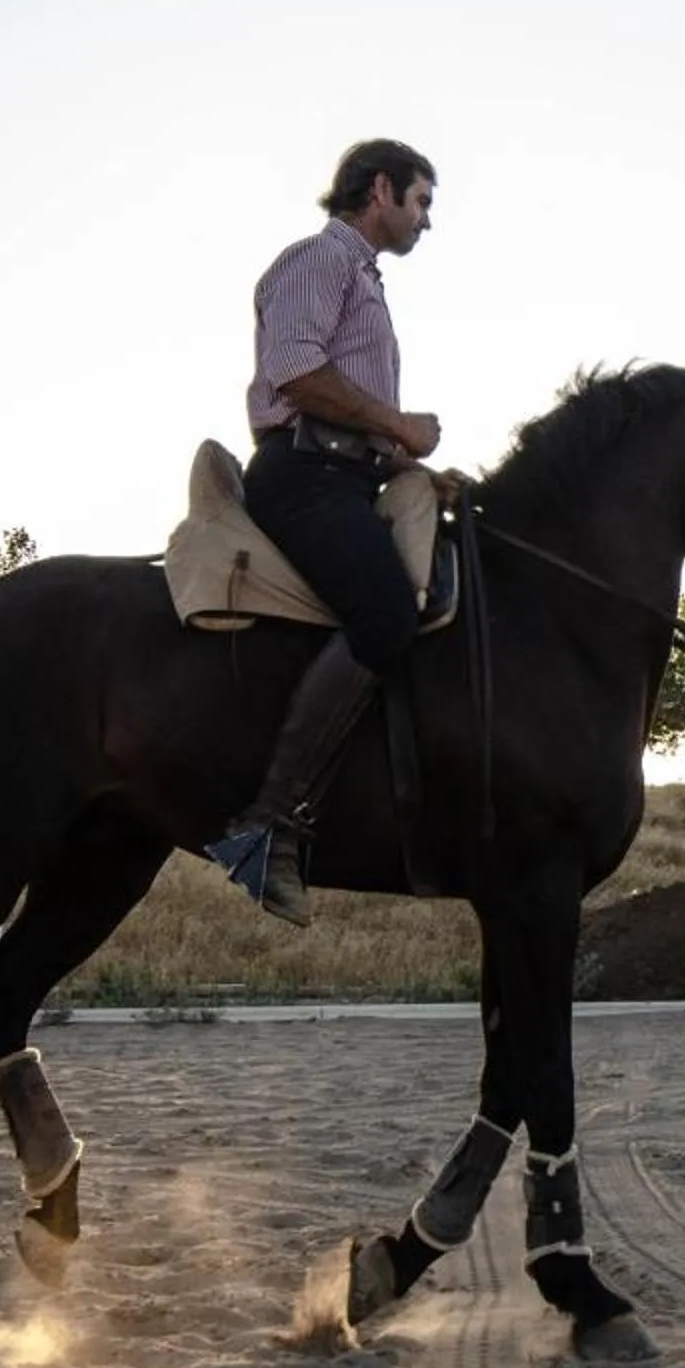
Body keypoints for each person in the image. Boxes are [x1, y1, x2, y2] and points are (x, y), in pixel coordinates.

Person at [204, 139, 445, 925]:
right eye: (422, 201)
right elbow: (297, 373)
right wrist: (399, 425)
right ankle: (265, 827)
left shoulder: (363, 281)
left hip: (349, 476)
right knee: (383, 616)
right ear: (380, 189)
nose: (426, 221)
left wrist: (406, 459)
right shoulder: (317, 260)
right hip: (304, 478)